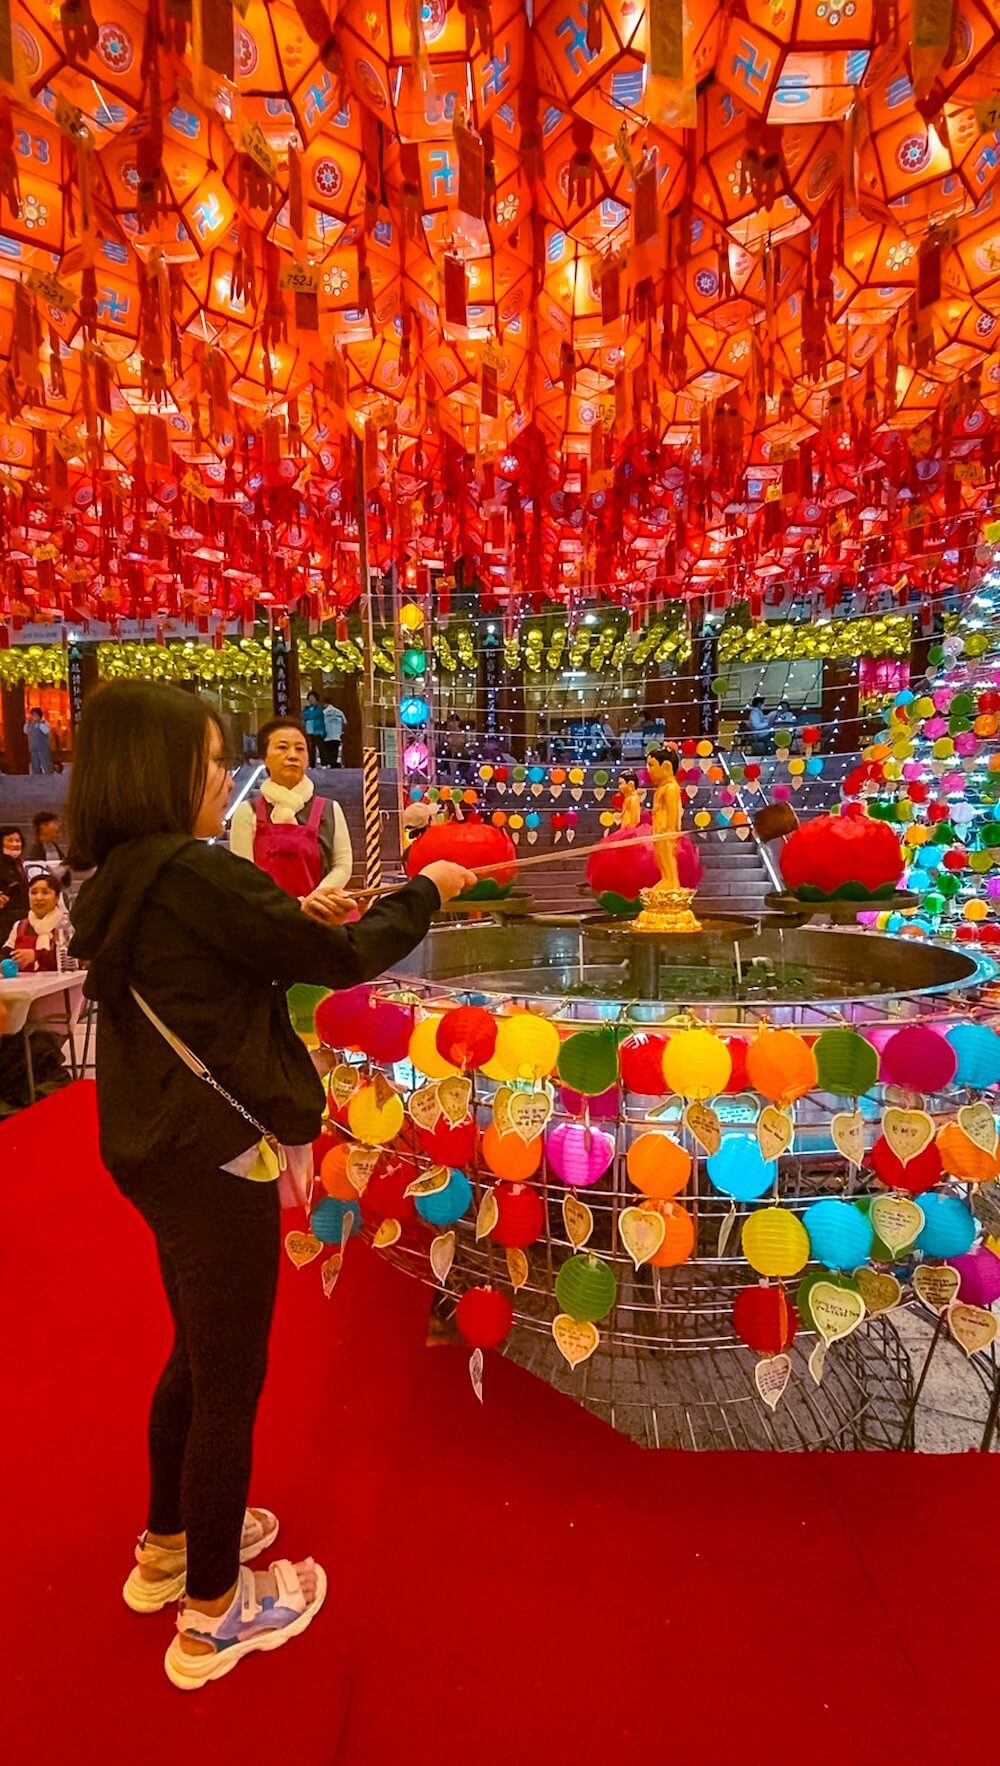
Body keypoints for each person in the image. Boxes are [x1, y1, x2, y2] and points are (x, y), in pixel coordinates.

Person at [67, 680, 476, 1690]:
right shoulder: (193, 870)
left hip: (151, 1141)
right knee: (230, 1373)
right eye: (212, 761)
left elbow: (226, 958)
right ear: (161, 772)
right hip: (213, 1148)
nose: (226, 777)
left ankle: (170, 1539)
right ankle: (212, 1609)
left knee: (196, 1350)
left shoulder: (120, 875)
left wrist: (289, 913)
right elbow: (338, 958)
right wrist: (430, 890)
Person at [229, 717, 353, 911]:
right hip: (265, 915)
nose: (292, 755)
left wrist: (315, 900)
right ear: (264, 758)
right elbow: (243, 873)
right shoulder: (247, 812)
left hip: (320, 915)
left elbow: (343, 865)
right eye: (282, 747)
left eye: (300, 749)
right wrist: (282, 907)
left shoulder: (330, 809)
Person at [3, 871, 70, 971]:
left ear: (57, 898)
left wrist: (36, 956)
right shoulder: (19, 926)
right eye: (33, 893)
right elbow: (5, 954)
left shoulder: (65, 925)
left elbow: (70, 959)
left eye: (45, 892)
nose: (38, 898)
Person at [0, 826, 28, 945]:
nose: (15, 844)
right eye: (10, 840)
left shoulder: (19, 864)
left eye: (18, 840)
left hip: (20, 918)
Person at [28, 810, 72, 886]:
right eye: (54, 824)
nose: (57, 827)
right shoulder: (35, 849)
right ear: (43, 826)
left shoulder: (54, 846)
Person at [24, 706, 52, 775]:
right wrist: (28, 722)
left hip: (43, 748)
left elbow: (46, 731)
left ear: (39, 715)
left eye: (35, 715)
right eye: (33, 715)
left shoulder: (44, 723)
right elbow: (25, 731)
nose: (34, 717)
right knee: (35, 766)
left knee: (45, 765)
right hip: (33, 748)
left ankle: (48, 778)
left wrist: (40, 723)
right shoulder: (30, 724)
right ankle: (37, 779)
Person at [301, 692, 326, 768]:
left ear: (316, 699)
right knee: (310, 749)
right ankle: (312, 765)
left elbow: (316, 715)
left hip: (318, 730)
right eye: (309, 699)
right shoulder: (306, 709)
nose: (311, 700)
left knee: (321, 747)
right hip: (309, 730)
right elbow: (303, 717)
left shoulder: (320, 708)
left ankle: (323, 763)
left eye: (313, 698)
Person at [322, 698, 346, 767]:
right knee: (335, 750)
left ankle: (330, 764)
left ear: (325, 704)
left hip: (327, 735)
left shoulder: (324, 712)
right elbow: (345, 722)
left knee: (328, 751)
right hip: (337, 735)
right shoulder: (339, 712)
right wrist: (341, 730)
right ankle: (334, 764)